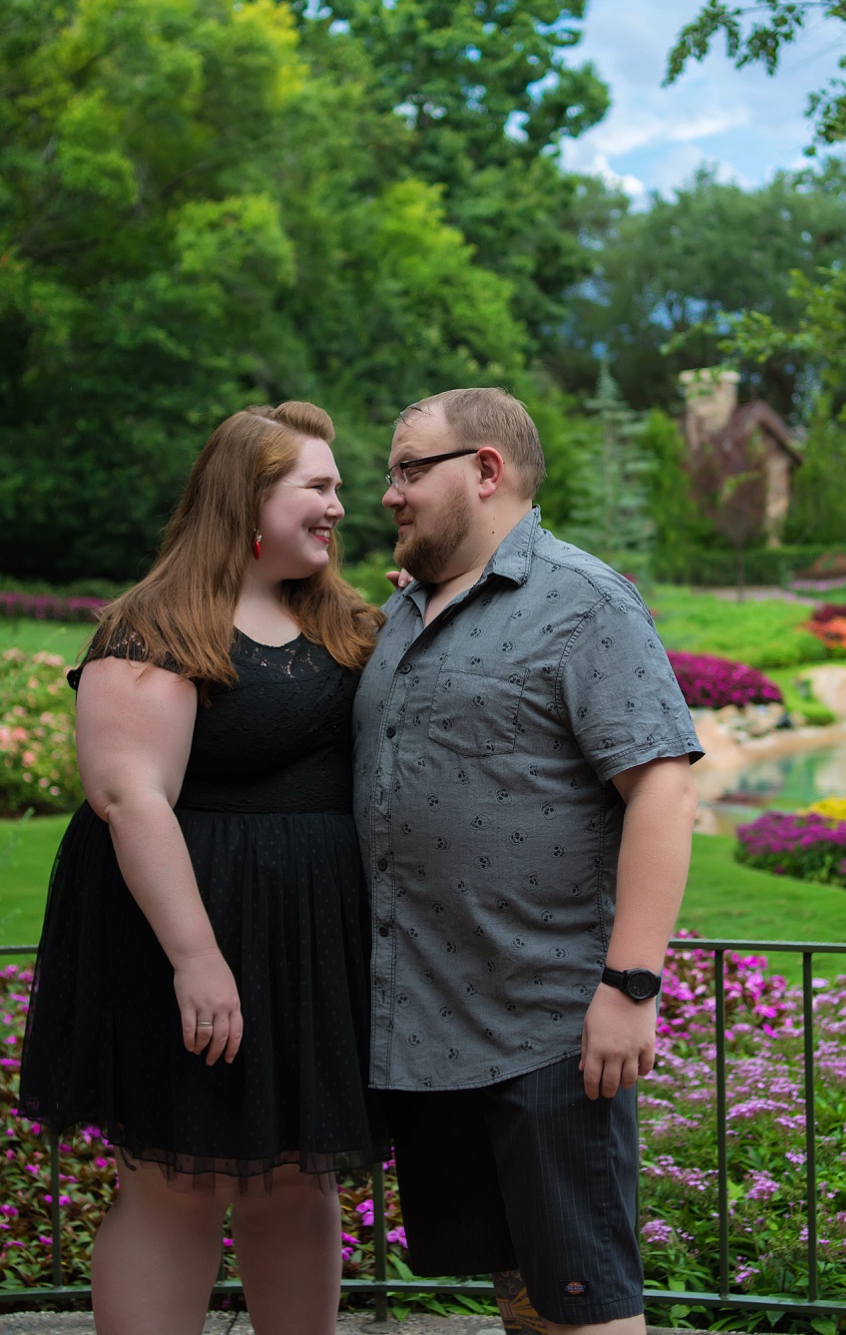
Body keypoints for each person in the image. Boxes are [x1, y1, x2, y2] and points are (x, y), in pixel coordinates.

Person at [20, 401, 388, 1335]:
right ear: (248, 497)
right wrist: (197, 956)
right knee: (177, 1180)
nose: (339, 504)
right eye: (318, 485)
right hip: (182, 934)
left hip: (310, 943)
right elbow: (131, 797)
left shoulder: (349, 620)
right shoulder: (156, 625)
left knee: (297, 1176)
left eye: (337, 485)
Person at [353, 388, 702, 1335]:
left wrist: (631, 984)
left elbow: (664, 790)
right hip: (427, 1029)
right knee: (519, 1291)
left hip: (548, 1030)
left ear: (486, 470)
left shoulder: (582, 600)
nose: (390, 493)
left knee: (587, 1306)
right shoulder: (407, 609)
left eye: (409, 468)